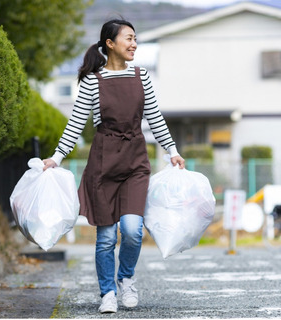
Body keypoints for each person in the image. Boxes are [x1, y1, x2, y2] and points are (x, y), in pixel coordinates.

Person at [43, 18, 185, 314]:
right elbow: (75, 123)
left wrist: (171, 150)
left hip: (135, 159)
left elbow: (155, 118)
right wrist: (56, 157)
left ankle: (126, 279)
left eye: (135, 39)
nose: (134, 44)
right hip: (103, 163)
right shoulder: (92, 81)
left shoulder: (141, 75)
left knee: (132, 230)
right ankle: (107, 292)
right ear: (110, 43)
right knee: (106, 236)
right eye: (128, 38)